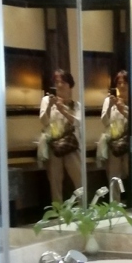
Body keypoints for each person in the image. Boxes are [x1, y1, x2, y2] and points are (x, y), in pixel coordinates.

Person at [39, 69, 83, 202]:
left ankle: (83, 207)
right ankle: (58, 211)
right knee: (55, 181)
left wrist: (63, 110)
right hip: (54, 145)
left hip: (71, 145)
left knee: (79, 178)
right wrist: (49, 106)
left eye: (63, 82)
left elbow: (78, 122)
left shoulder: (76, 105)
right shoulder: (46, 100)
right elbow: (44, 121)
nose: (59, 85)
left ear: (70, 85)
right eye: (56, 82)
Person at [98, 68, 131, 188]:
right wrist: (110, 106)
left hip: (129, 144)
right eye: (119, 83)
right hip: (114, 143)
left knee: (130, 174)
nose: (122, 86)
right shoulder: (109, 100)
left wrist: (123, 110)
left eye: (125, 83)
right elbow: (105, 122)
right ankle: (115, 200)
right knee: (114, 177)